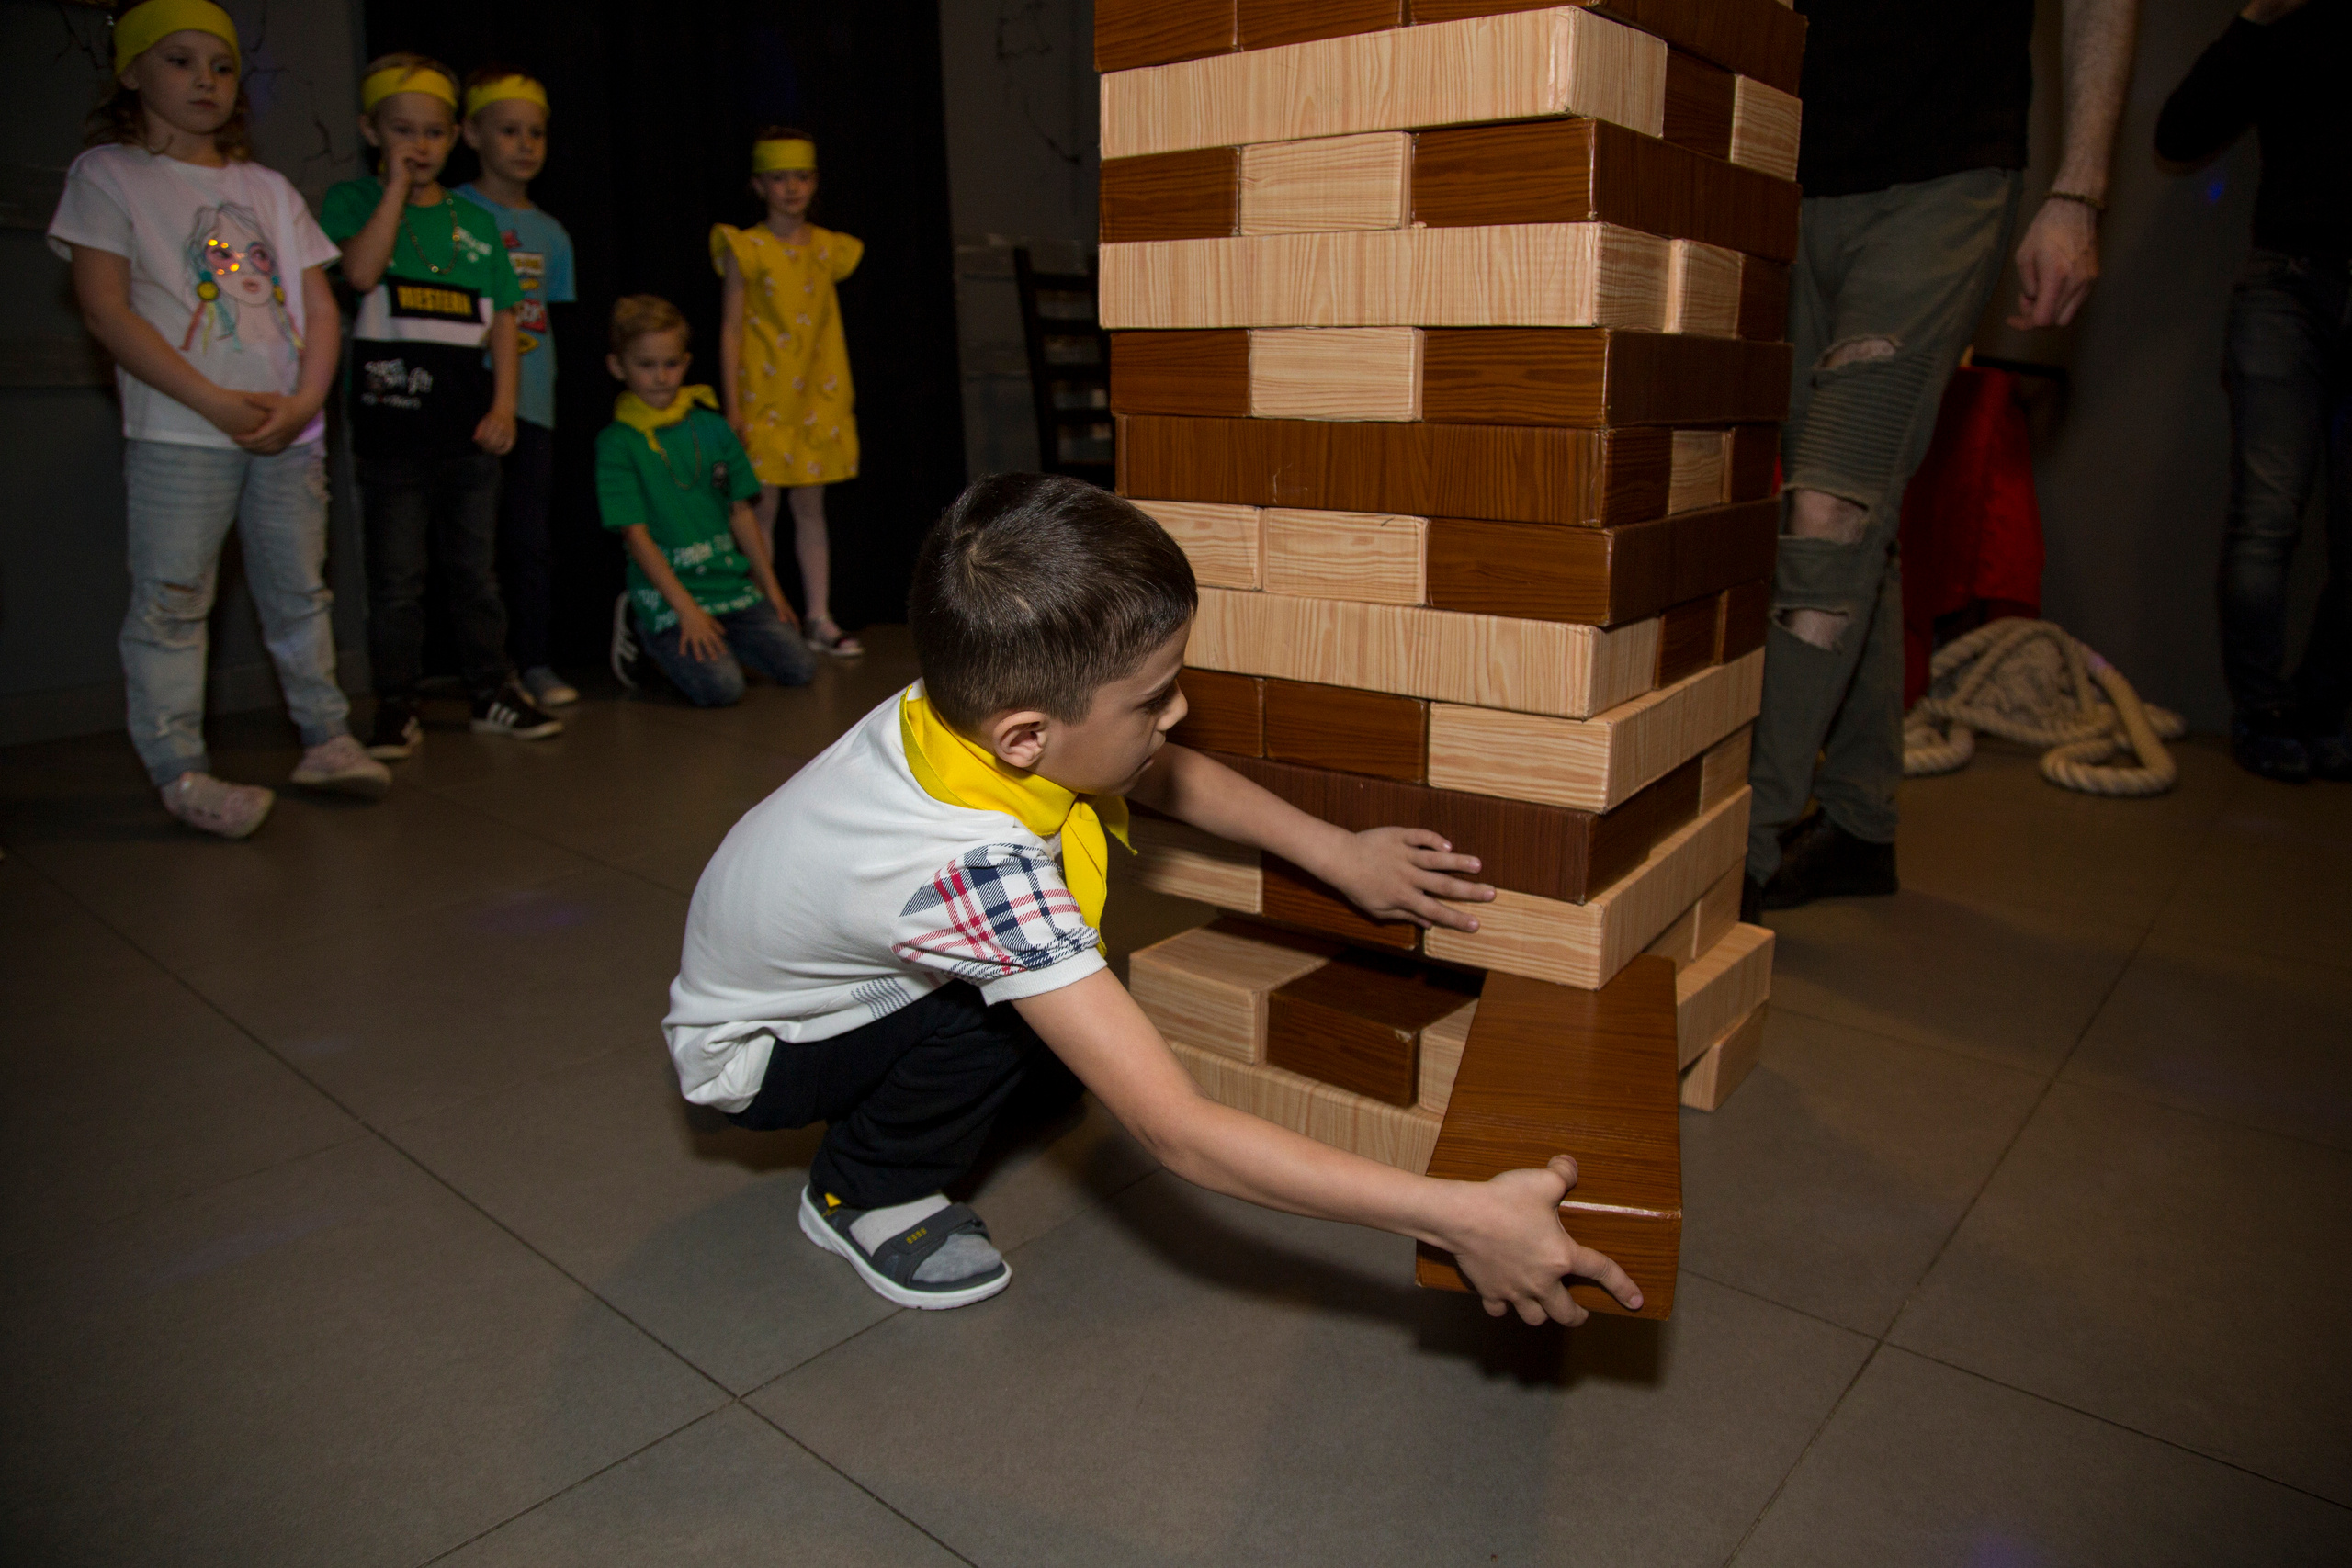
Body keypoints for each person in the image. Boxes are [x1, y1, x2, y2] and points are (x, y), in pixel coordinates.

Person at [662, 472, 1644, 1324]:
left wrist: (1336, 852)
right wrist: (1456, 1213)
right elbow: (1178, 1132)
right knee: (1009, 1020)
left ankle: (942, 1096)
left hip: (821, 981)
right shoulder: (974, 876)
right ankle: (860, 1192)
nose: (1175, 713)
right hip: (760, 1055)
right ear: (1024, 738)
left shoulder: (957, 708)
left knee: (1039, 1024)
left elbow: (1150, 769)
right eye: (1151, 698)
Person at [1744, 0, 2141, 917]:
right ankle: (1857, 820)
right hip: (1785, 167)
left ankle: (1742, 845)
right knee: (1851, 512)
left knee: (1828, 509)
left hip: (1941, 172)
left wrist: (2078, 192)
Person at [50, 0, 390, 840]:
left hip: (287, 431)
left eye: (222, 64)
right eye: (179, 61)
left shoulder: (266, 189)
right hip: (181, 434)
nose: (204, 79)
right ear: (131, 72)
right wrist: (211, 401)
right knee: (172, 600)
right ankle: (180, 769)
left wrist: (306, 403)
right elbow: (106, 310)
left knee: (300, 591)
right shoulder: (109, 175)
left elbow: (318, 305)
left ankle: (326, 737)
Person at [322, 52, 561, 760]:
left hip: (468, 434)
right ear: (372, 131)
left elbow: (507, 323)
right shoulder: (351, 205)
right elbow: (360, 274)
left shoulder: (478, 224)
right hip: (391, 436)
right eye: (402, 131)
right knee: (397, 580)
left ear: (454, 135)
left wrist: (506, 407)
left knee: (474, 574)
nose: (418, 146)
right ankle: (396, 703)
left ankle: (492, 690)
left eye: (432, 132)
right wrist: (394, 190)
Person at [2155, 0, 2351, 784]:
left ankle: (2320, 708)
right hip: (2287, 282)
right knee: (2265, 521)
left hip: (2297, 283)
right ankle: (2262, 712)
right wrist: (2254, 18)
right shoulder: (2290, 20)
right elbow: (2178, 134)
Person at [597, 296, 818, 705]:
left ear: (685, 361)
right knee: (722, 690)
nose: (662, 377)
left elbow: (740, 512)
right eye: (646, 366)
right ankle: (642, 626)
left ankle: (724, 641)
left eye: (671, 364)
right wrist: (687, 611)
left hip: (726, 586)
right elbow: (635, 535)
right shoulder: (616, 444)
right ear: (618, 367)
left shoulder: (712, 426)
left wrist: (771, 587)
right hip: (670, 594)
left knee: (800, 667)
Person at [710, 127, 865, 658]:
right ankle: (764, 617)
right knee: (761, 511)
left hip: (816, 400)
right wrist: (734, 405)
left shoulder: (828, 249)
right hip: (765, 398)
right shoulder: (745, 247)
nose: (791, 188)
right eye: (779, 178)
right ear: (759, 185)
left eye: (801, 177)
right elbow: (730, 328)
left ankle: (818, 616)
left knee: (811, 508)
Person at [456, 65, 580, 713]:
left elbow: (547, 318)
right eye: (509, 131)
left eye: (535, 133)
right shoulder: (454, 214)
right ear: (471, 134)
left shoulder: (552, 233)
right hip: (466, 407)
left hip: (533, 407)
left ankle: (533, 661)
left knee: (529, 542)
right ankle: (477, 670)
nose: (525, 145)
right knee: (470, 549)